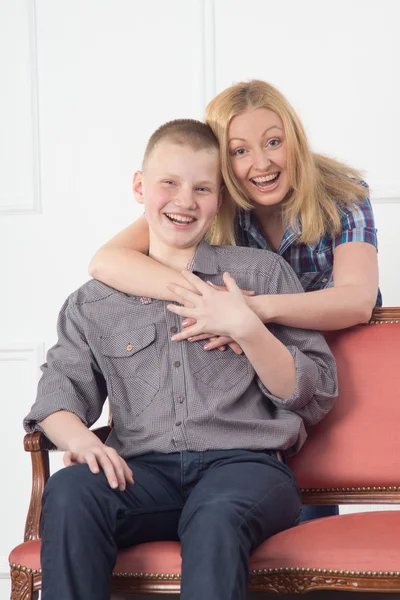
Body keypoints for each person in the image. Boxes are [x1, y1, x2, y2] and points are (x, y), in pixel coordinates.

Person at [24, 119, 337, 600]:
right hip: (143, 476)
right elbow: (56, 399)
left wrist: (248, 328)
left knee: (215, 516)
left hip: (246, 469)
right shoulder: (93, 302)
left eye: (202, 188)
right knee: (69, 491)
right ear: (140, 186)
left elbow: (313, 395)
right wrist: (82, 441)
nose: (184, 201)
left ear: (219, 200)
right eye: (169, 183)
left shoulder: (261, 272)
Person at [88, 80, 380, 521]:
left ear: (293, 142)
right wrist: (210, 306)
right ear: (221, 164)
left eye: (273, 143)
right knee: (257, 503)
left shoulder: (342, 194)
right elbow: (106, 261)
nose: (260, 163)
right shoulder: (208, 201)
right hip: (249, 372)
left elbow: (357, 301)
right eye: (240, 151)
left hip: (331, 360)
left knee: (314, 516)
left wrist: (248, 310)